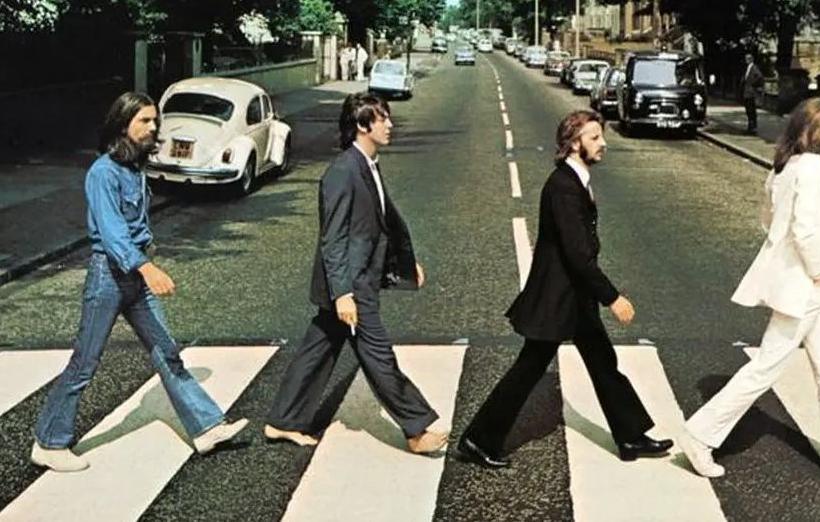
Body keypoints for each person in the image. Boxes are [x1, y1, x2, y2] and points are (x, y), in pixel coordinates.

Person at [31, 92, 248, 473]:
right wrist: (147, 268)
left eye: (154, 121)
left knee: (167, 351)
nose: (153, 127)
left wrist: (147, 253)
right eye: (144, 121)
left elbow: (134, 227)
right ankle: (49, 442)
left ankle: (206, 427)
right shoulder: (103, 172)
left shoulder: (134, 169)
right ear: (122, 125)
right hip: (110, 277)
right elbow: (113, 235)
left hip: (134, 274)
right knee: (85, 362)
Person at [680, 97, 820, 479]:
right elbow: (807, 231)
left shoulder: (785, 165)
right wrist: (817, 273)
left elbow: (769, 220)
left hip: (797, 282)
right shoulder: (814, 168)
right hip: (804, 286)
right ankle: (700, 434)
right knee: (765, 367)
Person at [456, 110, 672, 468]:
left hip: (574, 298)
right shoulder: (562, 187)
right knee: (528, 369)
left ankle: (631, 435)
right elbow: (576, 256)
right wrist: (613, 297)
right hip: (558, 299)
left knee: (604, 363)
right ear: (574, 144)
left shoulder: (576, 180)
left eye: (601, 136)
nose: (603, 144)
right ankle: (479, 440)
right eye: (593, 138)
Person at [264, 93, 447, 454]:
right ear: (363, 126)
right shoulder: (343, 172)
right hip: (352, 284)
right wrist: (343, 293)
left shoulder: (367, 164)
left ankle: (282, 421)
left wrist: (404, 265)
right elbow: (333, 239)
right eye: (383, 119)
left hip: (359, 276)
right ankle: (416, 428)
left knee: (317, 349)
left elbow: (378, 225)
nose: (390, 125)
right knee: (379, 357)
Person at [741, 53, 764, 134]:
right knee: (748, 111)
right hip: (747, 93)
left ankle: (753, 128)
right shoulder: (747, 68)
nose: (745, 60)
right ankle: (750, 127)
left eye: (747, 59)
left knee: (751, 111)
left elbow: (760, 77)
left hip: (751, 93)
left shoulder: (754, 68)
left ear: (751, 59)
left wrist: (753, 84)